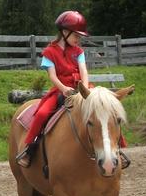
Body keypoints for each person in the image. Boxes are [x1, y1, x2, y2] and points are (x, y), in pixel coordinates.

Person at [15, 10, 93, 167]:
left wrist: (85, 87)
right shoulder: (49, 53)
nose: (79, 39)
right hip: (61, 89)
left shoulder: (79, 52)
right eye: (76, 35)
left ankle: (119, 149)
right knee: (42, 113)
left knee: (105, 107)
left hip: (83, 88)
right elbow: (52, 76)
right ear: (64, 32)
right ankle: (29, 148)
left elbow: (83, 70)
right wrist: (64, 88)